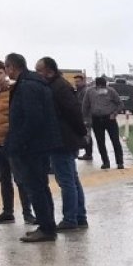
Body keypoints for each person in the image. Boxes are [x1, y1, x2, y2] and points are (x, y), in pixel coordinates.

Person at [3, 53, 61, 243]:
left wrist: (18, 142)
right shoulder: (33, 83)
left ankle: (46, 228)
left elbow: (32, 119)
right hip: (38, 145)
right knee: (40, 187)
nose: (6, 72)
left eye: (6, 68)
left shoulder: (27, 86)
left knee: (36, 188)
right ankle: (47, 225)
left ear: (12, 67)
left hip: (31, 147)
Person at [37, 57, 88, 230]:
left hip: (62, 141)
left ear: (49, 71)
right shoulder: (56, 86)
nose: (37, 75)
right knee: (72, 179)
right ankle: (79, 216)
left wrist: (81, 133)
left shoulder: (59, 88)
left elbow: (74, 113)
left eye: (39, 71)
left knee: (66, 181)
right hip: (63, 139)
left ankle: (70, 219)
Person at [0, 59, 34, 225]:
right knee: (4, 179)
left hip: (11, 143)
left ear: (5, 73)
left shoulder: (14, 90)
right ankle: (7, 212)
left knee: (20, 179)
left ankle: (28, 213)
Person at [82, 76, 124, 169]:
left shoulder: (111, 91)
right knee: (100, 142)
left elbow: (120, 104)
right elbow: (85, 106)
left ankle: (120, 162)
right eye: (101, 87)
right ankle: (105, 162)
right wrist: (86, 119)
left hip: (110, 119)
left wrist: (115, 113)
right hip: (96, 120)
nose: (103, 89)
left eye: (104, 87)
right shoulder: (90, 92)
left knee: (115, 141)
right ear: (96, 86)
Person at [73, 73, 93, 161]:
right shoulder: (79, 90)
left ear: (83, 81)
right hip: (81, 116)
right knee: (85, 135)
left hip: (86, 117)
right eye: (75, 82)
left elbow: (85, 105)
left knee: (87, 136)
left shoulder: (85, 91)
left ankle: (88, 154)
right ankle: (87, 153)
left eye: (78, 81)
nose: (76, 83)